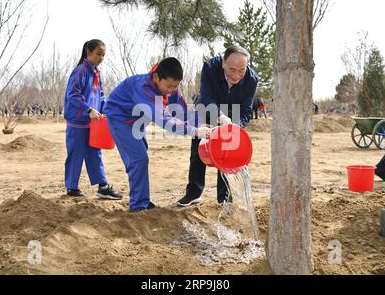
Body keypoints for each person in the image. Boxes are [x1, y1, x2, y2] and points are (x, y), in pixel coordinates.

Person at [104, 57, 211, 213]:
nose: (171, 90)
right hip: (120, 119)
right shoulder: (142, 88)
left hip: (139, 120)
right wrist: (194, 131)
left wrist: (201, 123)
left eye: (175, 87)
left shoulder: (169, 88)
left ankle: (141, 199)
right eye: (168, 86)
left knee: (140, 156)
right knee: (139, 158)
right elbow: (164, 120)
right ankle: (139, 206)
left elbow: (182, 112)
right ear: (156, 78)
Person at [177, 45, 259, 207]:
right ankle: (194, 192)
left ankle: (224, 197)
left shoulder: (252, 79)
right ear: (223, 63)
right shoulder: (210, 67)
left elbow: (246, 110)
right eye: (232, 70)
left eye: (241, 70)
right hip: (207, 108)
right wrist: (220, 117)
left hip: (233, 113)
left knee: (228, 153)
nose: (237, 75)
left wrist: (235, 126)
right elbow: (207, 97)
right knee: (198, 151)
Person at [63, 39, 122, 200]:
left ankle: (102, 186)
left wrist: (105, 110)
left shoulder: (96, 73)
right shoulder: (80, 71)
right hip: (78, 121)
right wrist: (88, 109)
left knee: (95, 152)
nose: (101, 58)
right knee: (76, 154)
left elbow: (101, 96)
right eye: (98, 54)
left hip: (94, 122)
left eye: (103, 55)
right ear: (89, 53)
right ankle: (71, 188)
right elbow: (73, 95)